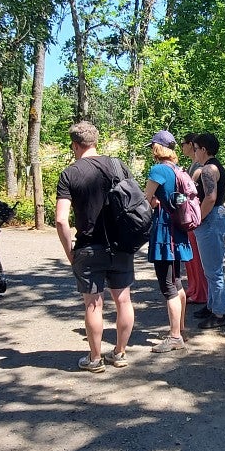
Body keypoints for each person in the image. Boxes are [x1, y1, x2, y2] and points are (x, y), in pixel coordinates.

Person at [55, 121, 137, 373]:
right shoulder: (117, 165)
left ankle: (94, 358)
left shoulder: (69, 174)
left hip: (89, 246)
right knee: (123, 301)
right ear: (95, 142)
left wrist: (70, 251)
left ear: (75, 145)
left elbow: (60, 220)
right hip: (121, 245)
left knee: (93, 304)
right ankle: (120, 353)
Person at [142, 130, 194, 353]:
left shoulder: (158, 170)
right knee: (177, 281)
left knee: (168, 285)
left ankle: (174, 337)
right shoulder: (177, 170)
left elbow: (145, 200)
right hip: (179, 229)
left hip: (165, 232)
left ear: (157, 148)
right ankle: (180, 328)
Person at [191, 132, 225, 328]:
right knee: (210, 269)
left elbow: (210, 198)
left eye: (196, 148)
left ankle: (219, 314)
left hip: (211, 221)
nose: (194, 152)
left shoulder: (208, 169)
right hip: (215, 219)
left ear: (204, 149)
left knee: (214, 271)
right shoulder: (214, 166)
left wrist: (197, 218)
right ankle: (212, 305)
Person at [179, 133, 209, 308]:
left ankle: (201, 292)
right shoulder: (192, 165)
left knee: (197, 258)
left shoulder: (198, 166)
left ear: (191, 144)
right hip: (189, 215)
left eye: (184, 144)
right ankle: (194, 288)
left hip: (194, 216)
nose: (182, 148)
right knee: (190, 258)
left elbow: (188, 188)